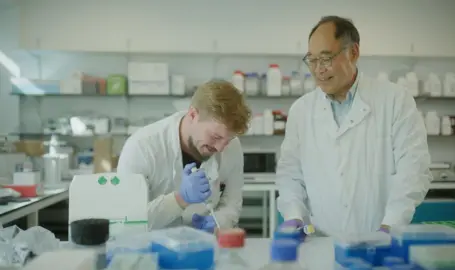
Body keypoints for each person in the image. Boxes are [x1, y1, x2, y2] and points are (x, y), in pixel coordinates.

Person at [276, 16, 433, 237]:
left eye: (326, 58)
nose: (318, 69)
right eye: (312, 60)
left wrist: (391, 225)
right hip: (320, 243)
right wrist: (294, 215)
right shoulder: (301, 111)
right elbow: (290, 174)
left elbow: (413, 170)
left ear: (353, 52)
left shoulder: (395, 100)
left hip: (379, 241)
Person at [117, 79, 252, 233]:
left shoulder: (232, 147)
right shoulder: (142, 147)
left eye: (228, 140)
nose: (221, 148)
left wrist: (219, 221)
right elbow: (127, 220)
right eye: (215, 137)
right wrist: (179, 199)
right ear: (193, 115)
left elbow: (232, 202)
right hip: (152, 250)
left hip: (204, 246)